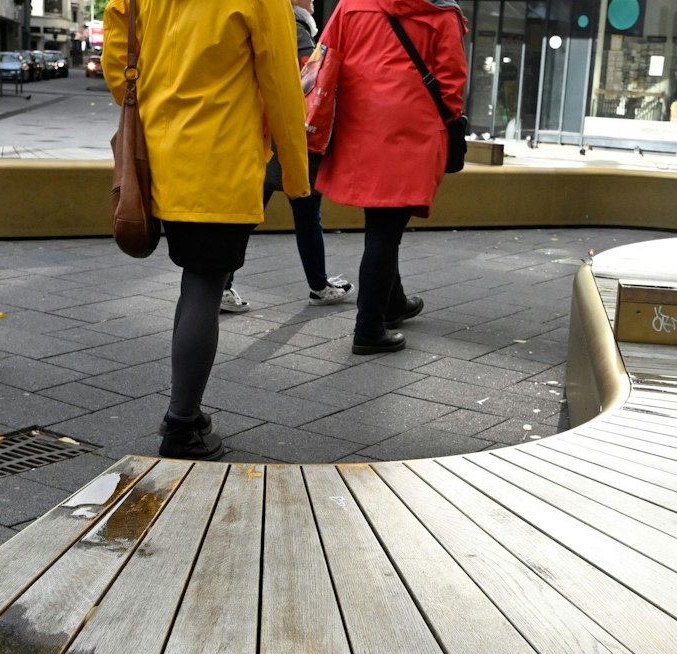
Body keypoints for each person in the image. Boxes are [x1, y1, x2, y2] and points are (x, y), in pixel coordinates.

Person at [104, 0, 311, 460]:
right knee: (204, 283)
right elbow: (280, 85)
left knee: (194, 281)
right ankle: (181, 424)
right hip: (220, 157)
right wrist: (296, 177)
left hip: (157, 156)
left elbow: (116, 62)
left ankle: (187, 412)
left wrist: (159, 111)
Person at [313, 0, 467, 355]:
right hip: (411, 129)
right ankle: (368, 327)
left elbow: (324, 59)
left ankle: (393, 303)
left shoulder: (352, 5)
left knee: (382, 219)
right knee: (385, 228)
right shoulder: (441, 12)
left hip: (359, 125)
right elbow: (451, 83)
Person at [218, 0, 351, 316]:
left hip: (260, 136)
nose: (315, 1)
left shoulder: (266, 19)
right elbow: (308, 80)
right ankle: (318, 286)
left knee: (248, 217)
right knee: (306, 214)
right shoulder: (294, 26)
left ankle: (221, 283)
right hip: (287, 140)